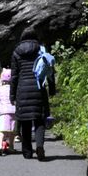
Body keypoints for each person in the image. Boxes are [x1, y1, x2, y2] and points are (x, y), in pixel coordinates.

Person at [8, 29, 54, 159]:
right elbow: (49, 70)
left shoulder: (17, 52)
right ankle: (39, 147)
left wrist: (12, 95)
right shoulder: (41, 50)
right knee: (39, 120)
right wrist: (52, 89)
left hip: (22, 89)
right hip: (39, 88)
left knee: (25, 121)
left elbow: (14, 76)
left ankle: (27, 151)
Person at [0, 57, 17, 156]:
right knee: (12, 131)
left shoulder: (0, 89)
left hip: (3, 112)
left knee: (1, 130)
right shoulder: (14, 89)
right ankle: (11, 147)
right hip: (13, 111)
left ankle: (0, 146)